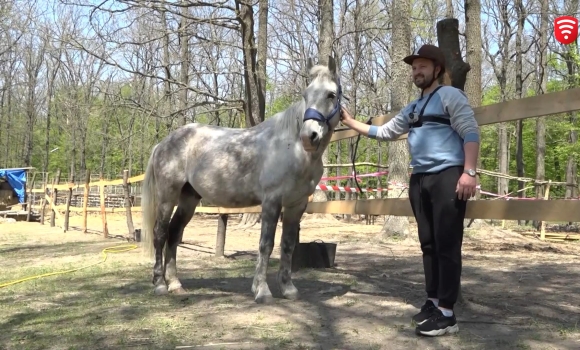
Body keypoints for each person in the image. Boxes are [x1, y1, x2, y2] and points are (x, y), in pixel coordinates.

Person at [339, 44, 480, 337]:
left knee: (447, 244)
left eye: (423, 67)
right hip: (420, 179)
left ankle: (447, 313)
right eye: (414, 68)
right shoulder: (414, 107)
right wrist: (352, 123)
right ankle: (432, 301)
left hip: (448, 176)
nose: (417, 72)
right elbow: (387, 131)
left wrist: (468, 172)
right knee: (428, 243)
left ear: (437, 70)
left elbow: (470, 131)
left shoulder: (450, 96)